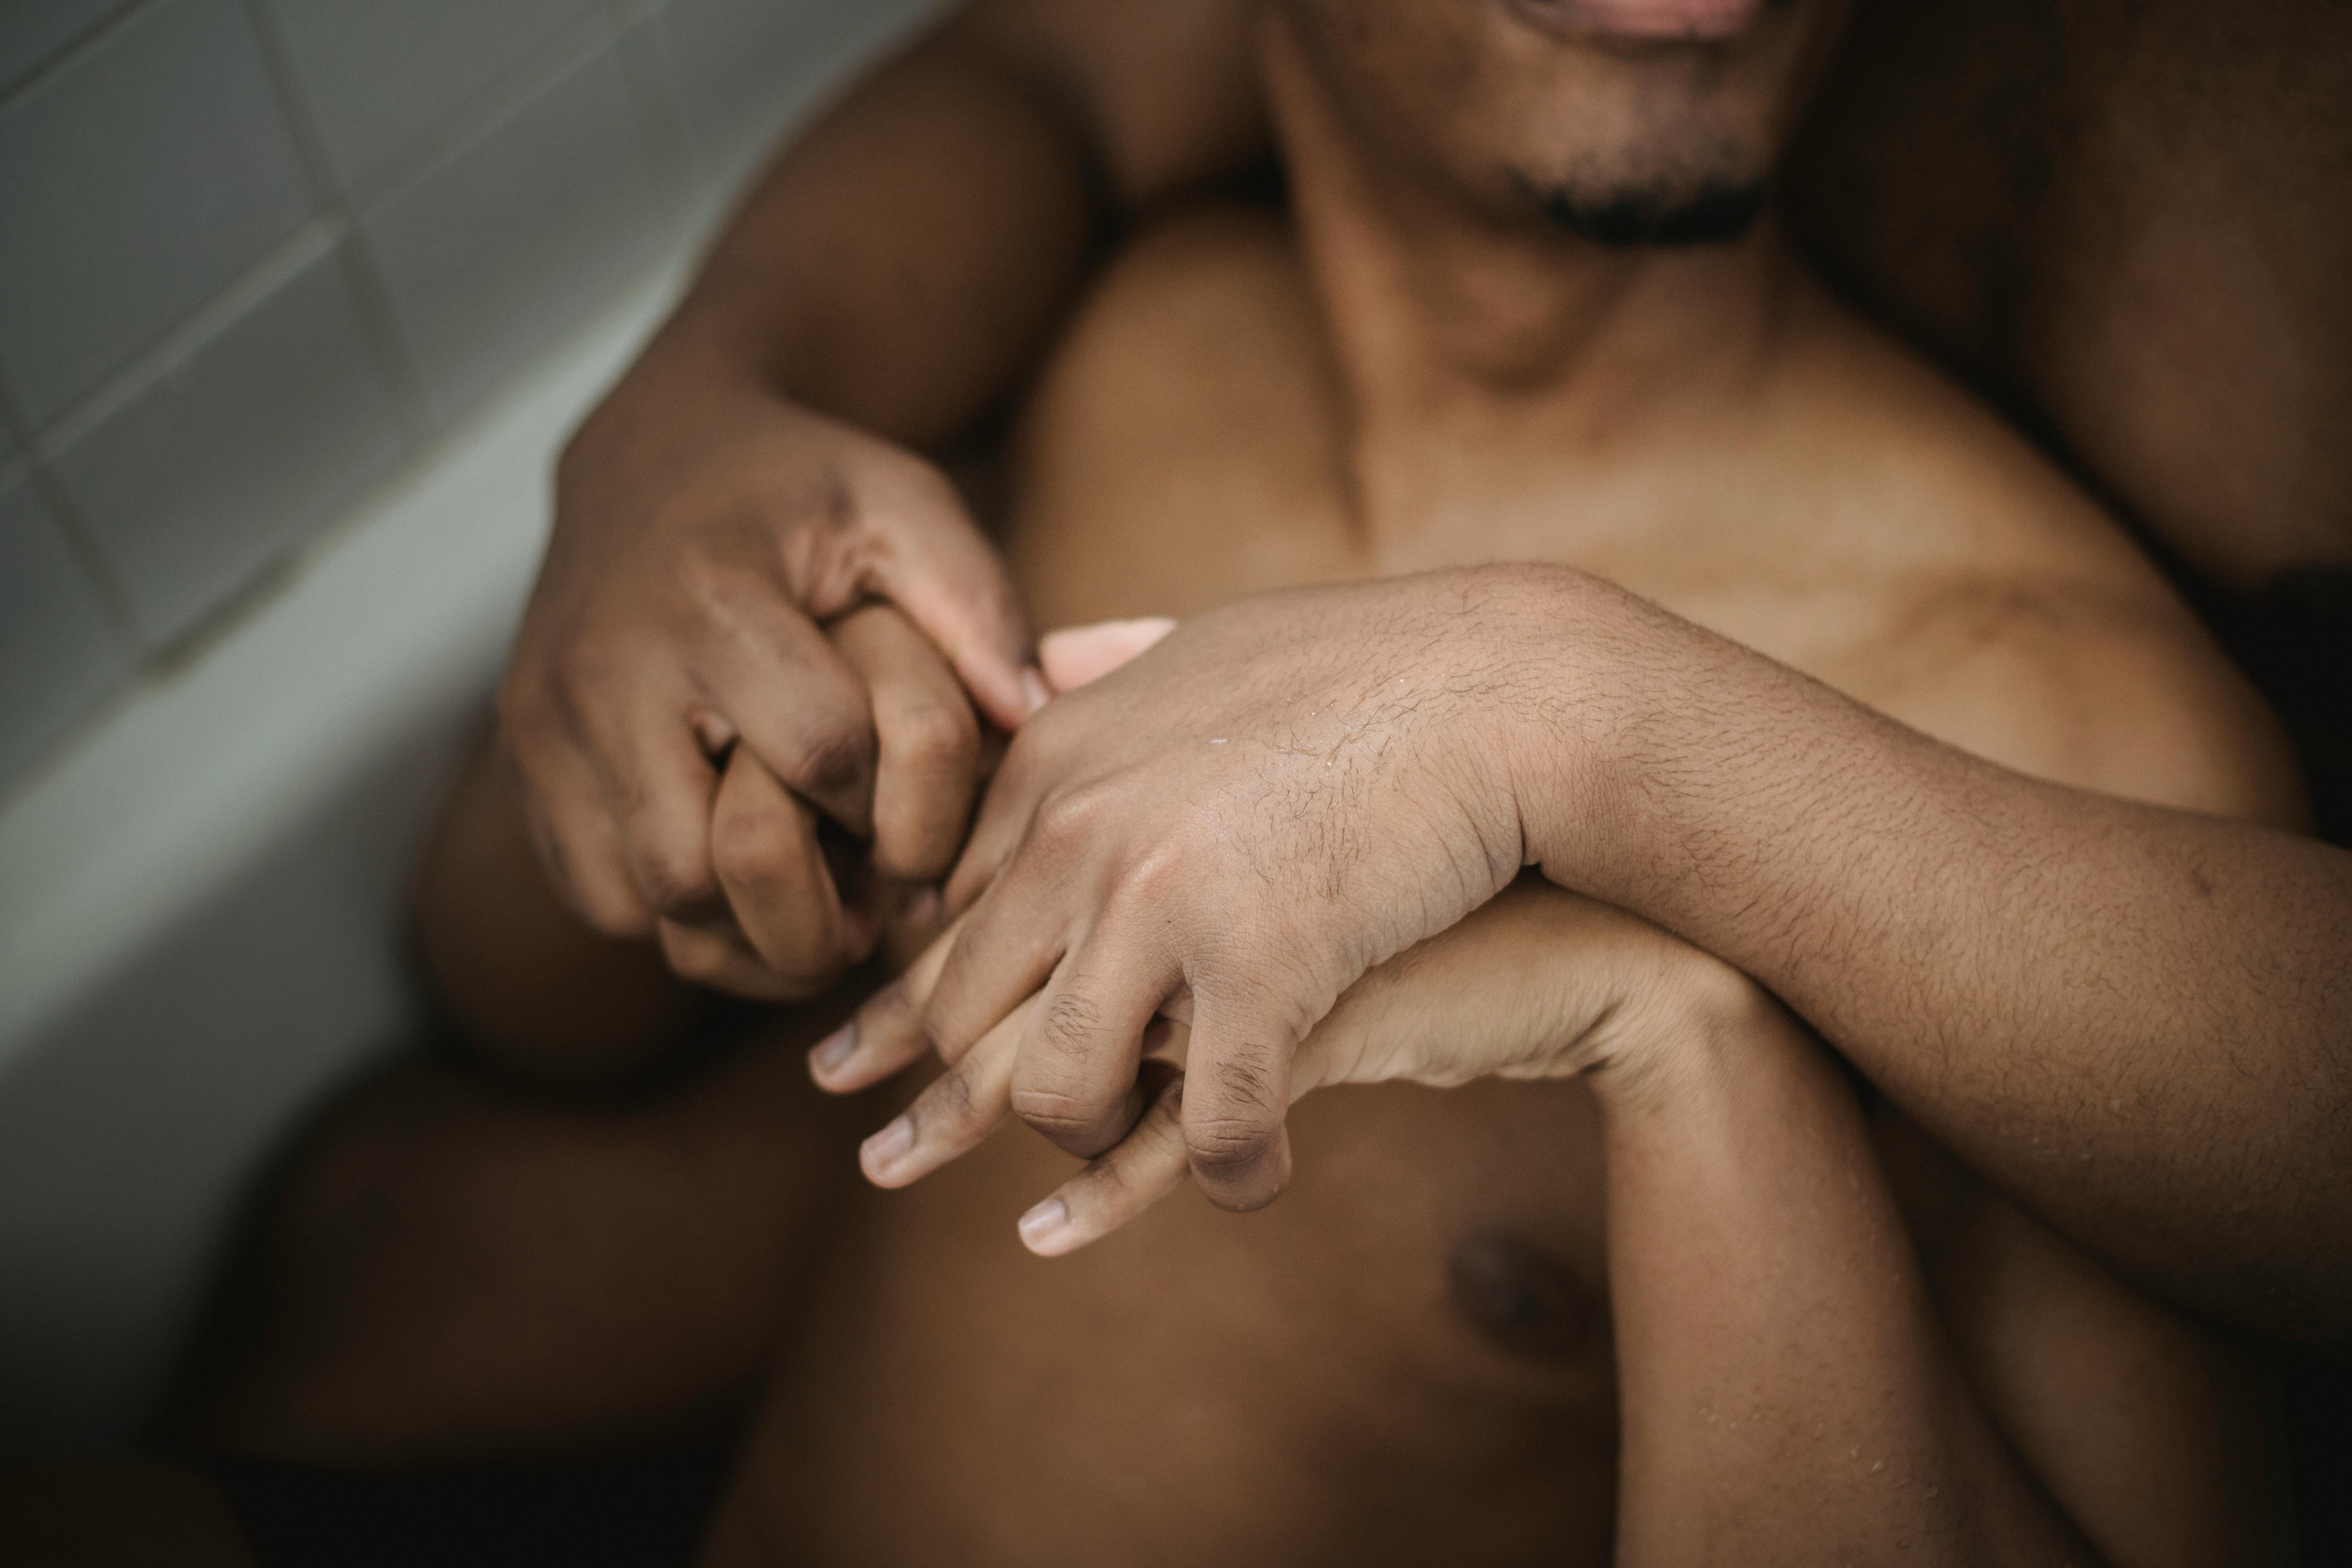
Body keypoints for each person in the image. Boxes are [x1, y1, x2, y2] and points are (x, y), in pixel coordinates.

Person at [200, 0, 2300, 1561]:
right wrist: (661, 504)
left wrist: (1687, 1033)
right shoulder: (1127, 341)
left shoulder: (2057, 730)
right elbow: (518, 995)